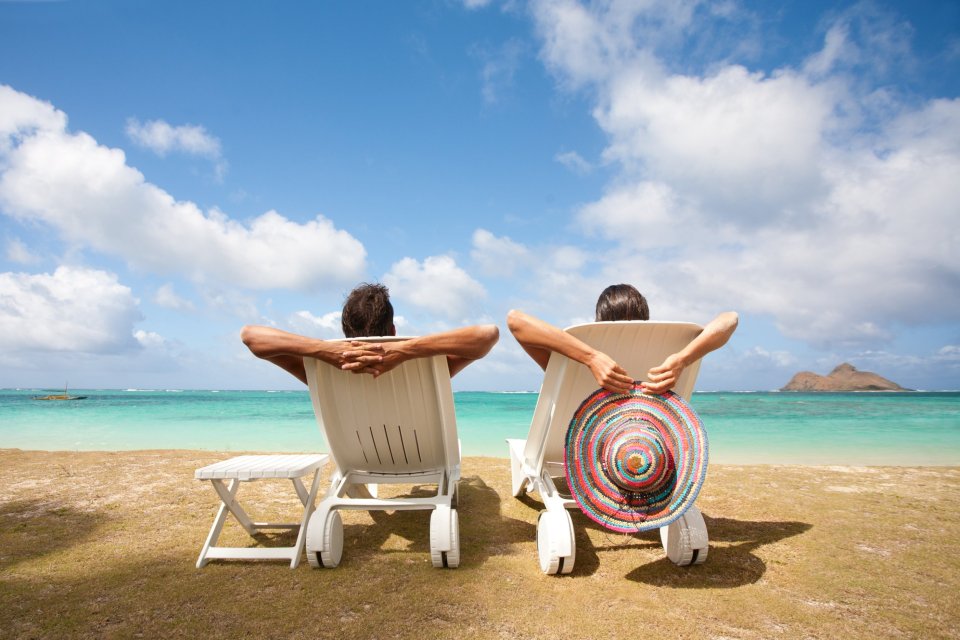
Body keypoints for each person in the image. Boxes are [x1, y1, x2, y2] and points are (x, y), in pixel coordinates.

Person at [241, 283, 499, 385]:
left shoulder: (318, 370)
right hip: (425, 457)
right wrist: (406, 350)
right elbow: (488, 334)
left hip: (357, 459)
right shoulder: (430, 365)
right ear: (393, 329)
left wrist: (323, 350)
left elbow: (251, 335)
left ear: (343, 330)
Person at [507, 283, 738, 394]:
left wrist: (590, 356)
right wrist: (683, 359)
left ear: (598, 322)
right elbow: (730, 319)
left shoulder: (572, 361)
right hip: (645, 451)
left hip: (581, 448)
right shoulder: (668, 358)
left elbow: (515, 320)